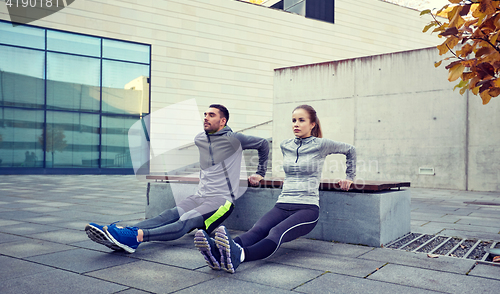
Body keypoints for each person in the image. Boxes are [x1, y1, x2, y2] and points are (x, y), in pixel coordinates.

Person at [85, 104, 269, 253]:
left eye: (211, 115)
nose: (205, 117)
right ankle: (125, 233)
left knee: (186, 220)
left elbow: (263, 144)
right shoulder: (200, 139)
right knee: (168, 214)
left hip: (221, 201)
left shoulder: (235, 139)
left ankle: (136, 237)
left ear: (223, 121)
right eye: (205, 114)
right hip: (200, 196)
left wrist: (260, 173)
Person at [194, 104, 356, 273]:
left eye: (301, 120)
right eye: (294, 120)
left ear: (312, 124)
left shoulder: (322, 145)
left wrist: (349, 177)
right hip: (282, 203)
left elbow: (350, 150)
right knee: (258, 229)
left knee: (276, 232)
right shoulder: (286, 145)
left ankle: (239, 256)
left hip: (307, 208)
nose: (296, 124)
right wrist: (260, 173)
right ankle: (219, 253)